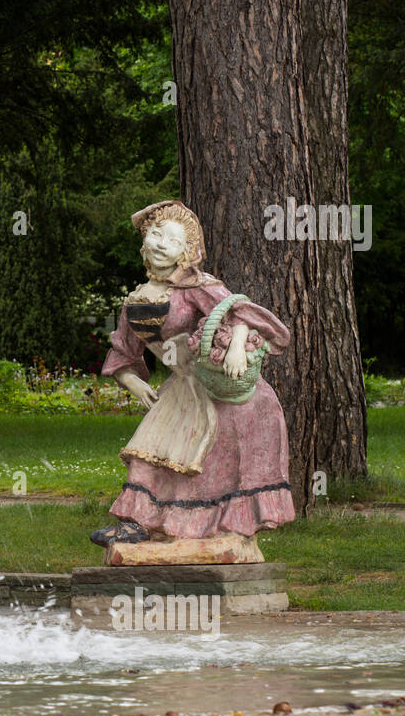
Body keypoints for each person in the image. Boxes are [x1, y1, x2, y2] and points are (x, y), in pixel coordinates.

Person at [90, 200, 295, 546]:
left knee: (222, 467)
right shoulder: (135, 300)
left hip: (222, 390)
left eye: (168, 240)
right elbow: (124, 353)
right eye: (154, 235)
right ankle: (138, 524)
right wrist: (134, 382)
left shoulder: (199, 285)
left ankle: (225, 532)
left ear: (186, 250)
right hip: (179, 389)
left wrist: (234, 347)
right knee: (149, 450)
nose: (157, 244)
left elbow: (239, 312)